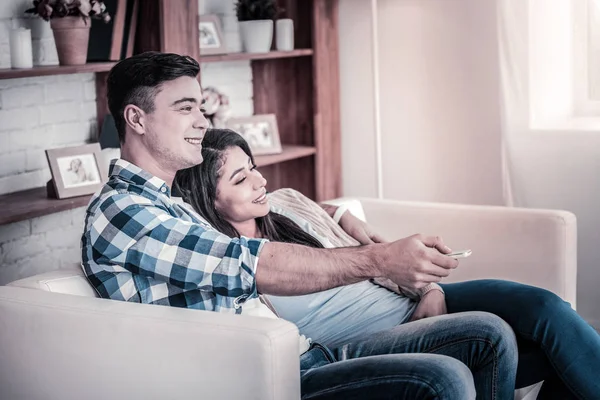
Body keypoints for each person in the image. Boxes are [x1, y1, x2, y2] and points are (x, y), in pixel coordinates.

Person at [82, 51, 520, 400]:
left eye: (200, 107)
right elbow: (250, 264)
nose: (202, 121)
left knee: (489, 334)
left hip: (304, 351)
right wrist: (382, 259)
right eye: (184, 108)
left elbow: (276, 223)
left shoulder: (174, 205)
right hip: (259, 380)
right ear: (136, 119)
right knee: (442, 378)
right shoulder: (124, 211)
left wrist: (341, 216)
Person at [175, 128, 600, 400]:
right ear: (207, 200)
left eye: (253, 167)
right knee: (524, 345)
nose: (259, 180)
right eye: (240, 178)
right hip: (378, 337)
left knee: (546, 311)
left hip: (408, 300)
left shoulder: (286, 204)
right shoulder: (227, 259)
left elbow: (369, 251)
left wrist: (428, 289)